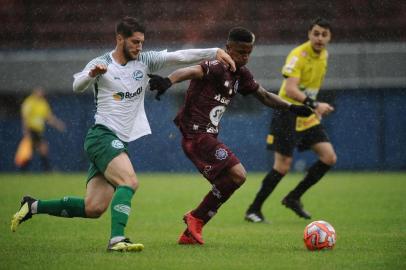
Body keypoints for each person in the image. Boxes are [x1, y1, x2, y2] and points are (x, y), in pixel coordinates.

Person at [10, 16, 237, 252]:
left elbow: (178, 56)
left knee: (94, 208)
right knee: (129, 181)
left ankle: (32, 206)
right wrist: (92, 74)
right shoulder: (102, 63)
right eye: (135, 42)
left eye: (142, 43)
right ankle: (117, 240)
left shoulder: (145, 61)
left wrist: (215, 51)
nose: (139, 47)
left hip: (117, 141)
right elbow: (77, 84)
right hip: (102, 136)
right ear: (119, 39)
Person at [148, 27, 313, 245]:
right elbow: (190, 71)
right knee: (239, 174)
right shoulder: (217, 67)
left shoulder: (241, 75)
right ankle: (196, 218)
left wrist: (291, 107)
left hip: (207, 137)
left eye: (248, 53)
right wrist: (169, 81)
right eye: (239, 52)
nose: (244, 57)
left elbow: (263, 95)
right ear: (228, 49)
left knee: (231, 180)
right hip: (196, 134)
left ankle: (191, 230)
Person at [245, 17, 336, 223]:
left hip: (308, 116)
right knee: (283, 166)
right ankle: (253, 210)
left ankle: (293, 197)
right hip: (288, 113)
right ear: (309, 34)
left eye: (324, 34)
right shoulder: (298, 55)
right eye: (316, 33)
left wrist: (314, 108)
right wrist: (315, 105)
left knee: (329, 157)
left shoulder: (324, 56)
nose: (320, 38)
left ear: (329, 37)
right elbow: (292, 90)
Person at [18, 86, 66, 171]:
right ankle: (47, 170)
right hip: (31, 129)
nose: (41, 93)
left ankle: (25, 170)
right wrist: (26, 130)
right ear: (34, 91)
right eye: (39, 91)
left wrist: (58, 124)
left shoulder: (43, 103)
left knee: (39, 150)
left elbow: (48, 117)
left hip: (38, 131)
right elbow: (25, 117)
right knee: (37, 150)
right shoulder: (29, 102)